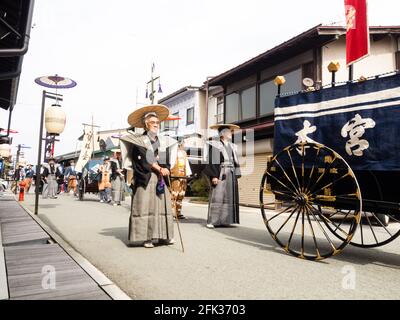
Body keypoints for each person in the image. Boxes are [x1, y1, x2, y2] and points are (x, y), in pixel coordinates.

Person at [120, 104, 177, 248]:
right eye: (153, 123)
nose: (156, 125)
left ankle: (164, 236)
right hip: (146, 176)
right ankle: (147, 238)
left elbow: (166, 158)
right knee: (146, 206)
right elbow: (142, 157)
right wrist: (157, 167)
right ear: (146, 124)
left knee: (162, 207)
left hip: (160, 178)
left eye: (158, 123)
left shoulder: (162, 141)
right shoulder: (138, 140)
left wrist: (167, 169)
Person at [203, 124, 241, 228]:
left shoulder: (232, 146)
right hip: (220, 171)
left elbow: (236, 161)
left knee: (229, 196)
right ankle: (212, 221)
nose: (231, 134)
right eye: (229, 132)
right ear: (223, 134)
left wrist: (236, 174)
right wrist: (213, 176)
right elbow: (213, 161)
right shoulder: (215, 145)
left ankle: (226, 220)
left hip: (231, 172)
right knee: (217, 196)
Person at [170, 138, 192, 219]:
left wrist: (188, 173)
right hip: (175, 175)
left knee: (181, 194)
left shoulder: (184, 153)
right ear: (180, 143)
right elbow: (171, 164)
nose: (184, 145)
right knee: (174, 194)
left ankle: (178, 212)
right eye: (183, 143)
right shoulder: (173, 152)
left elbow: (186, 164)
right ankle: (172, 213)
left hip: (183, 175)